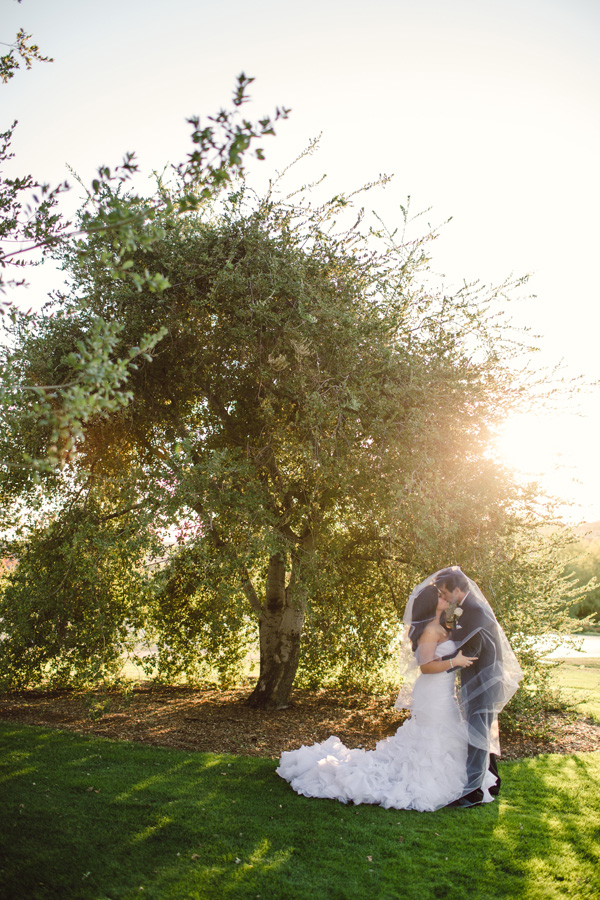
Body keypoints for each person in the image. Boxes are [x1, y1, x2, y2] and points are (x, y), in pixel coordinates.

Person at [276, 582, 493, 812]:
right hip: (433, 692)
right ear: (431, 603)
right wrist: (455, 662)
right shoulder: (429, 630)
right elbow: (426, 666)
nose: (445, 598)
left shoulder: (443, 624)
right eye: (440, 596)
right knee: (434, 735)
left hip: (444, 690)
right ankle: (433, 779)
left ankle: (465, 783)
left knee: (445, 734)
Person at [434, 566, 523, 808]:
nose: (442, 597)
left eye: (445, 593)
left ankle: (472, 793)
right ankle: (492, 783)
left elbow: (471, 651)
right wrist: (450, 612)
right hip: (479, 681)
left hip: (484, 683)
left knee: (477, 736)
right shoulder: (465, 605)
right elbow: (451, 625)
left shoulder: (475, 610)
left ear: (458, 589)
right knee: (482, 733)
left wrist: (437, 665)